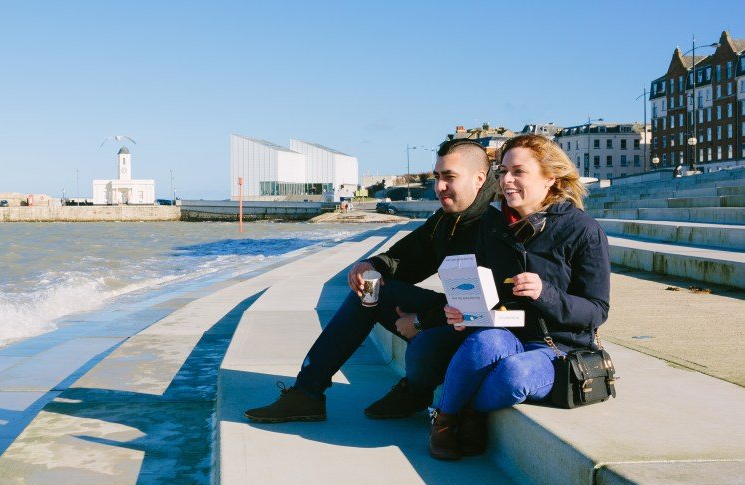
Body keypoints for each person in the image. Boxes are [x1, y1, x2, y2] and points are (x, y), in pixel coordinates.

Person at [244, 139, 498, 423]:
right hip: (452, 313)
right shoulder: (445, 221)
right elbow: (407, 259)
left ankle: (415, 391)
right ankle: (307, 393)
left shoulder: (496, 225)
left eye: (450, 177)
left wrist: (421, 320)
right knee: (370, 290)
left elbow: (492, 305)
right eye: (438, 177)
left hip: (483, 329)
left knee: (427, 342)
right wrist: (372, 265)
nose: (439, 187)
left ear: (479, 179)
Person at [428, 134, 610, 461]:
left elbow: (596, 311)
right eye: (502, 171)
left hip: (559, 348)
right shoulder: (492, 226)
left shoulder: (582, 230)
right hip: (506, 334)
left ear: (549, 177)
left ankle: (466, 411)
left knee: (515, 374)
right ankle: (443, 421)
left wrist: (546, 293)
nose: (506, 180)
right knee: (483, 344)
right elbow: (485, 293)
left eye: (518, 171)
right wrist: (464, 313)